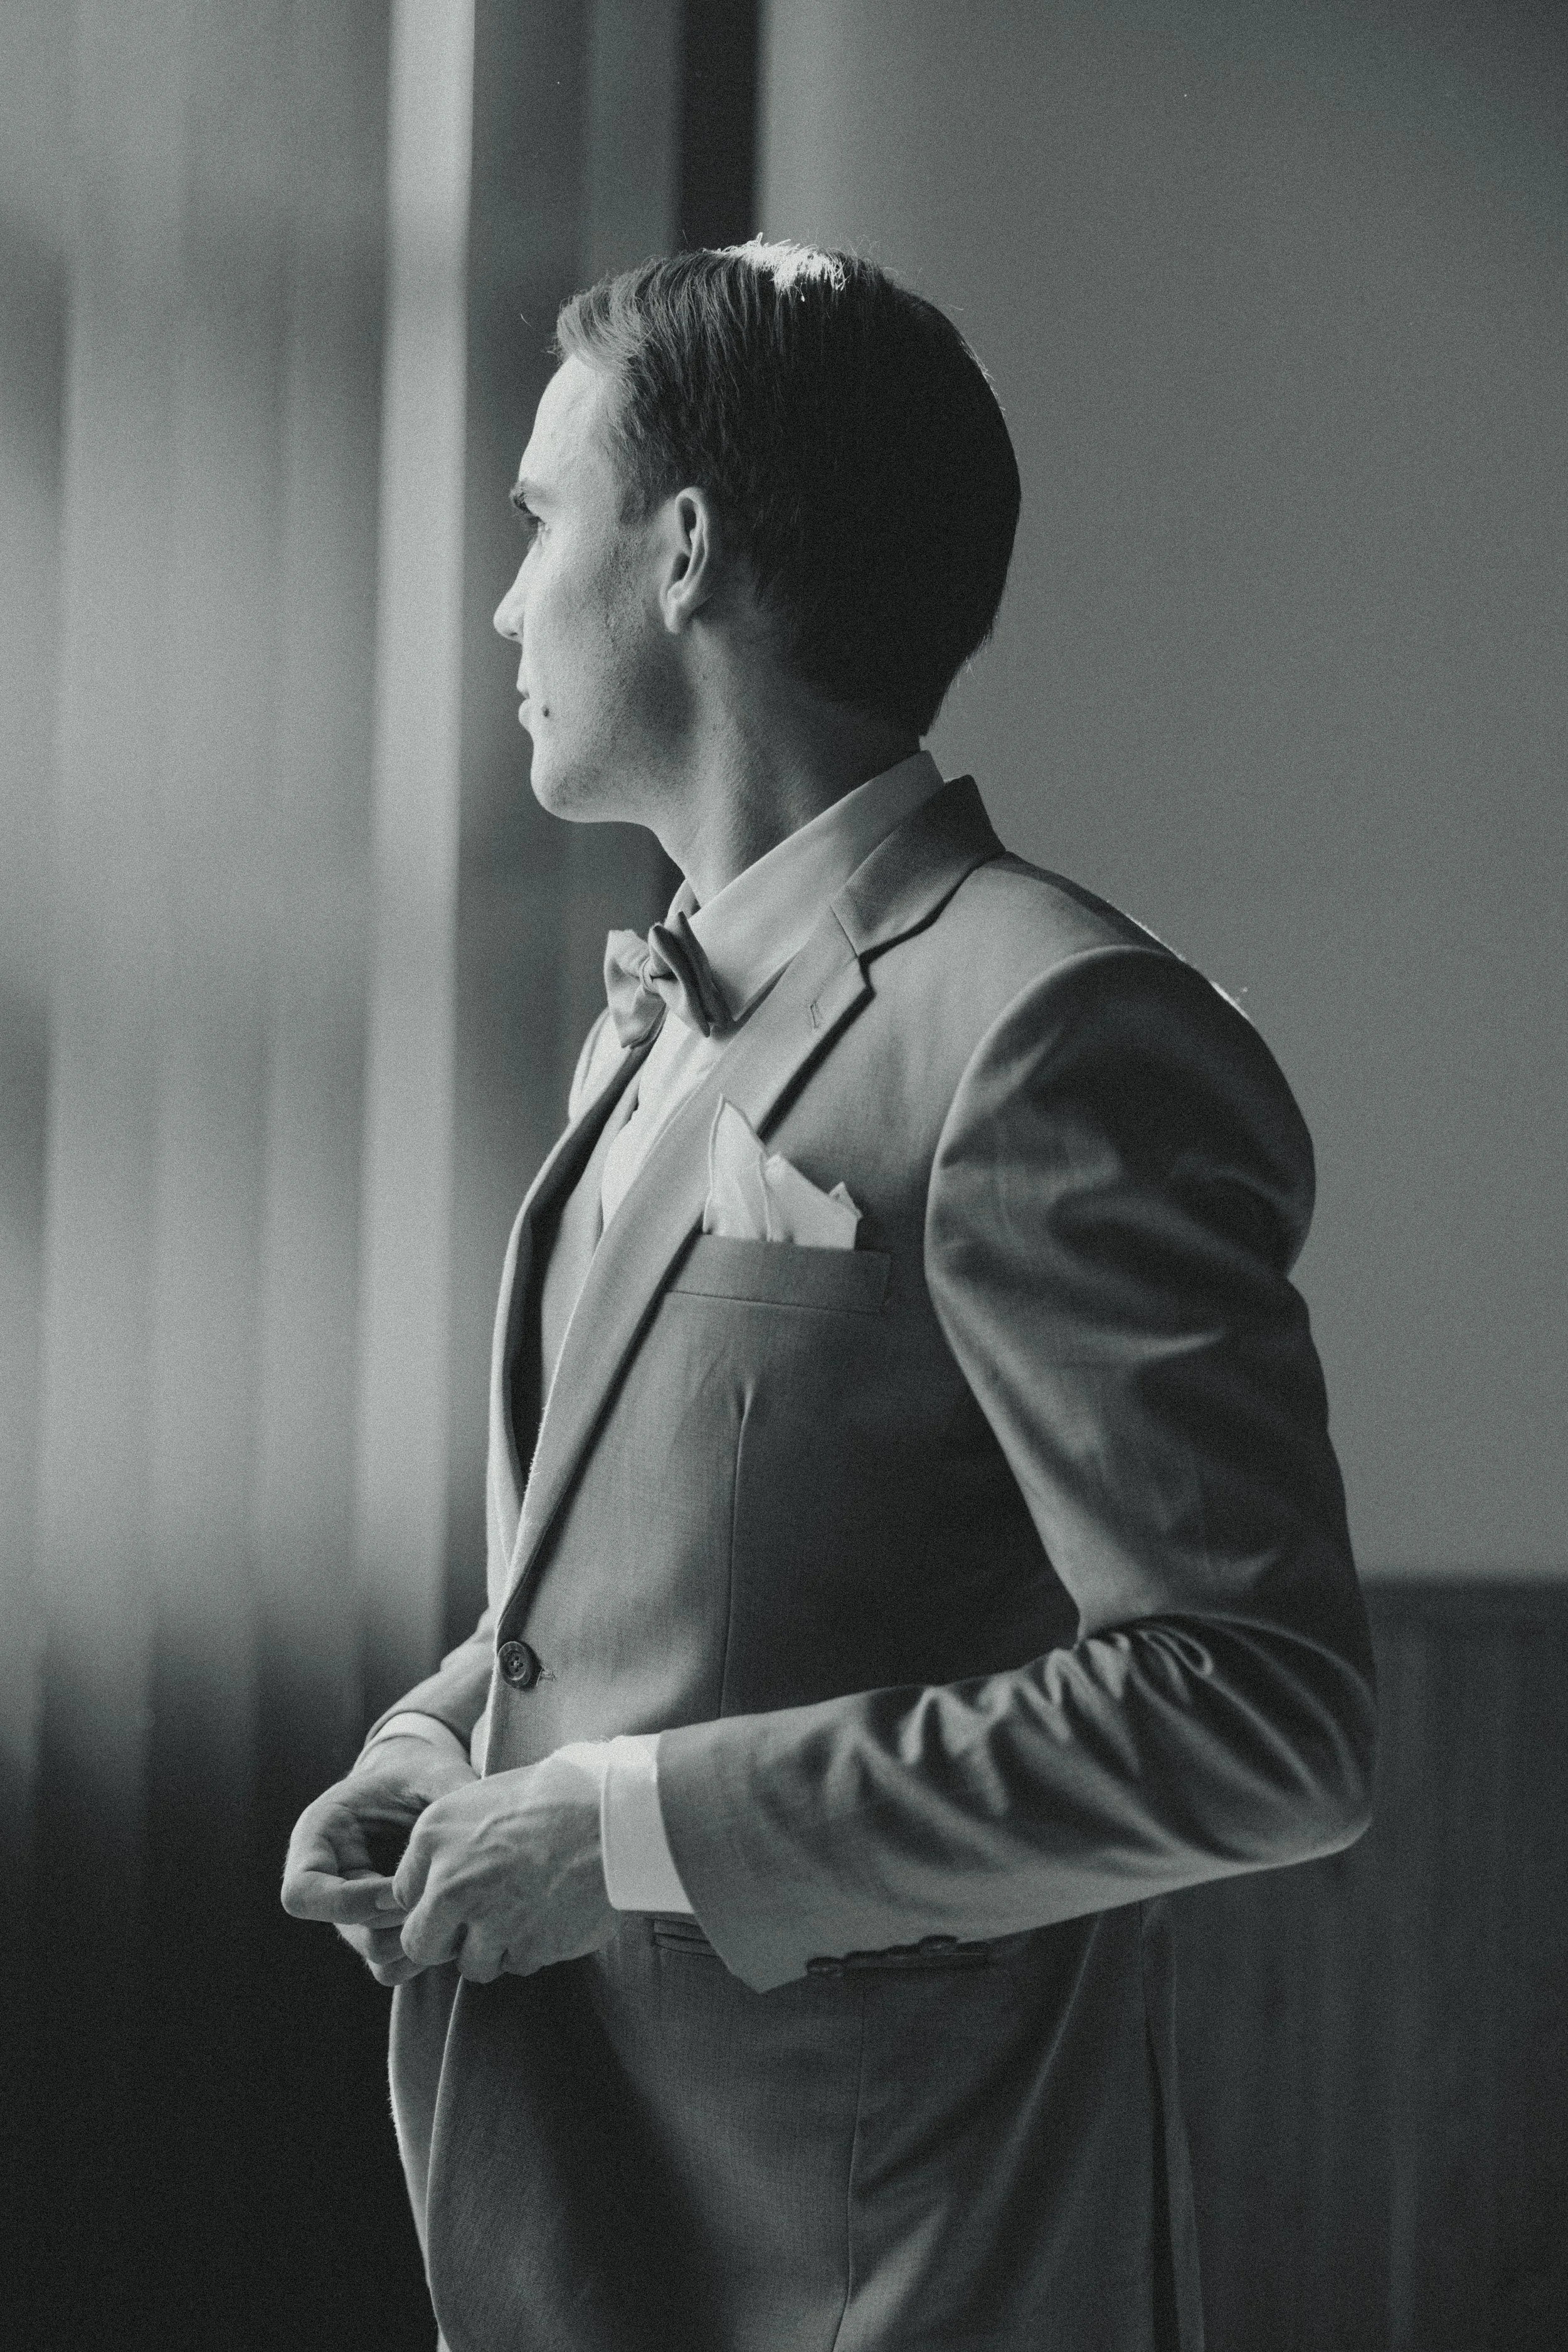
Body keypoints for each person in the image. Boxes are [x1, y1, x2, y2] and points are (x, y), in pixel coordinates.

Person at [282, 241, 1375, 2352]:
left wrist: (626, 1831)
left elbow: (1263, 1716)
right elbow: (707, 1543)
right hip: (602, 2232)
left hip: (905, 2266)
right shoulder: (661, 1004)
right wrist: (453, 1732)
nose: (505, 601)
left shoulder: (1055, 1028)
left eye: (538, 519)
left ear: (683, 550)